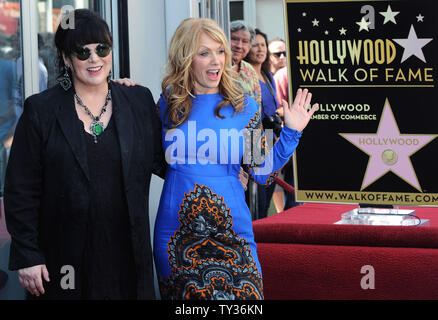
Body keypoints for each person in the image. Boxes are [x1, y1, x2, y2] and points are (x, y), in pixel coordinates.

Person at [4, 9, 165, 300]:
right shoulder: (41, 110)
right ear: (66, 58)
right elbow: (21, 189)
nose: (94, 59)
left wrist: (229, 165)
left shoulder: (138, 101)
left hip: (127, 255)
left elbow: (166, 161)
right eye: (82, 51)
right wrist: (27, 254)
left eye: (102, 48)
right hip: (63, 261)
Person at [153, 17, 318, 300]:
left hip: (233, 232)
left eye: (220, 51)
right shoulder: (169, 102)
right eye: (204, 53)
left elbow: (264, 172)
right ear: (185, 57)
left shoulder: (247, 106)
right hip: (176, 236)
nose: (216, 60)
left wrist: (291, 132)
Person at [244, 28, 282, 219]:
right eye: (255, 45)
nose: (260, 49)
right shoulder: (244, 75)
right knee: (256, 204)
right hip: (254, 139)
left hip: (271, 140)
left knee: (266, 203)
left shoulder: (268, 76)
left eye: (262, 45)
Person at [229, 20, 261, 109]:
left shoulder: (249, 69)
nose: (239, 45)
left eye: (245, 41)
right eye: (234, 39)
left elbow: (257, 104)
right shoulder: (217, 67)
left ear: (249, 46)